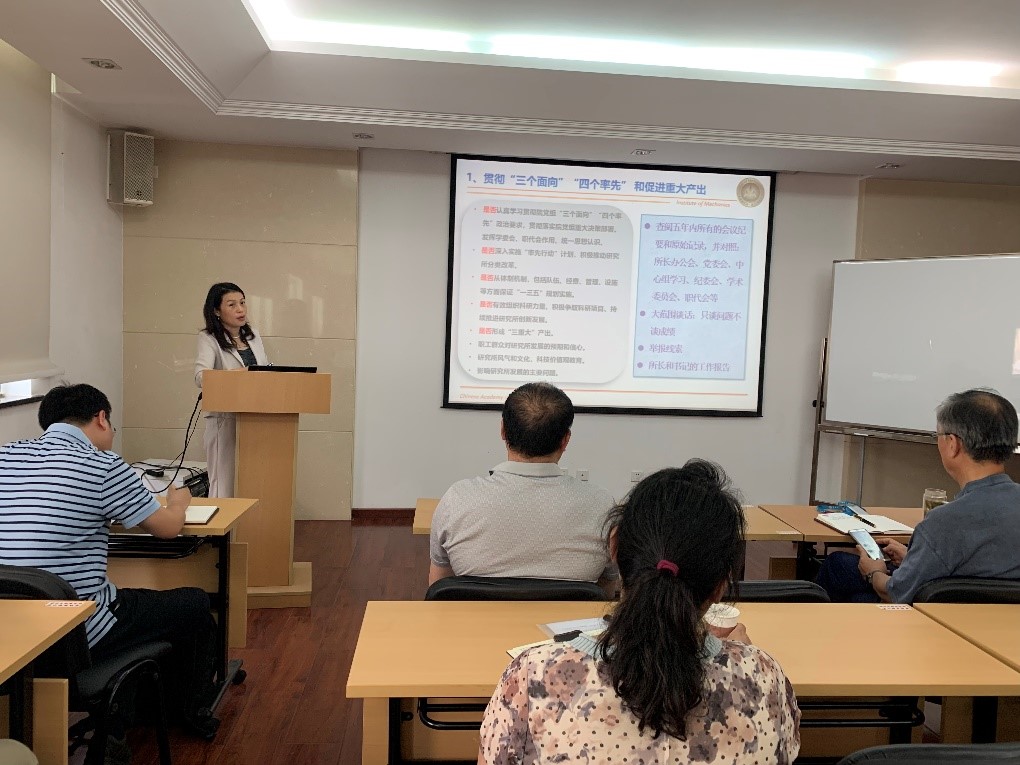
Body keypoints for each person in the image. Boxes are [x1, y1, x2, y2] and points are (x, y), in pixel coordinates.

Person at [478, 461, 801, 764]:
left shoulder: (534, 676)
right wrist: (746, 659)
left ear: (614, 547)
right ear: (720, 587)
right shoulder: (764, 680)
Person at [0, 384, 220, 744]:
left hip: (11, 631)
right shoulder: (102, 465)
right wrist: (178, 503)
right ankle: (182, 713)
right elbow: (167, 529)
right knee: (195, 603)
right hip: (76, 629)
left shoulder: (5, 455)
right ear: (101, 418)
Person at [817, 388, 1020, 603]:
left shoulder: (942, 523)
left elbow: (894, 593)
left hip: (935, 619)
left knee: (847, 582)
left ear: (953, 445)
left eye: (938, 435)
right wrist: (914, 558)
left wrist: (873, 572)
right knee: (842, 568)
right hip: (1001, 619)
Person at [429, 382, 617, 593]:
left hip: (475, 616)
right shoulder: (602, 506)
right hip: (569, 616)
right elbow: (608, 589)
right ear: (565, 440)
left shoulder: (457, 499)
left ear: (503, 430)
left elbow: (439, 589)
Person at [195, 282, 269, 497]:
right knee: (223, 484)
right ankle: (219, 521)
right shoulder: (209, 338)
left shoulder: (253, 336)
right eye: (232, 304)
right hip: (225, 419)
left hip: (255, 417)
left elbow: (263, 371)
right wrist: (240, 373)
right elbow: (200, 377)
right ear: (217, 311)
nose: (240, 309)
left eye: (242, 303)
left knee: (252, 481)